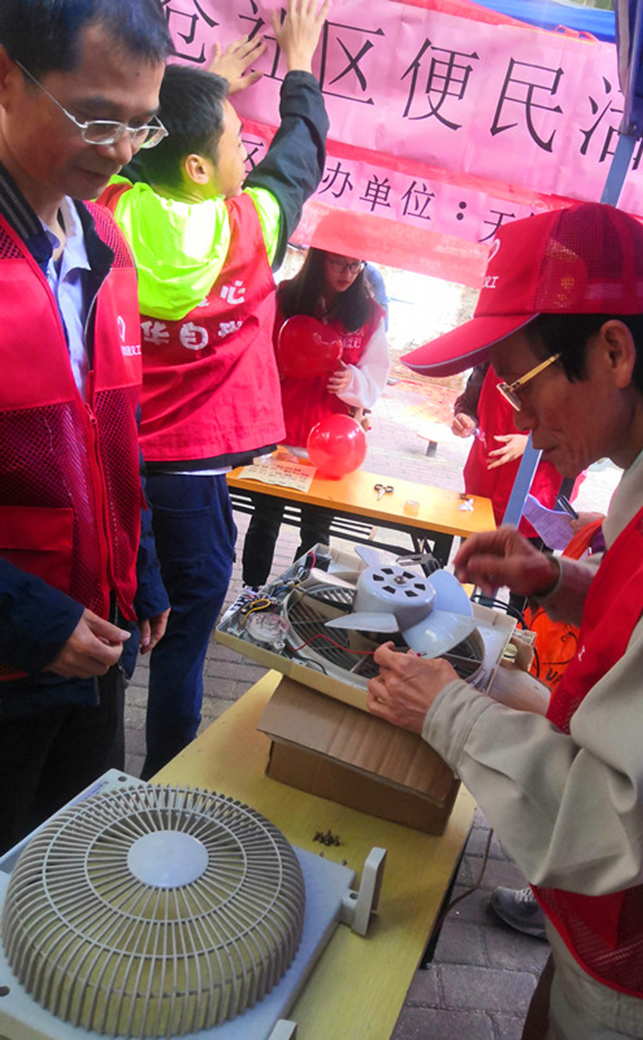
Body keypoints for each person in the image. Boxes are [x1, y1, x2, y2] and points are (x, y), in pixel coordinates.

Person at [366, 202, 643, 1039]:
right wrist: (562, 580)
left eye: (520, 384)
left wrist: (446, 709)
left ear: (615, 352)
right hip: (624, 928)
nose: (517, 418)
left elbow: (618, 815)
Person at [97, 0, 329, 780]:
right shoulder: (250, 228)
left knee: (113, 634)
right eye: (233, 140)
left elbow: (138, 153)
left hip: (114, 473)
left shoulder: (110, 212)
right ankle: (164, 783)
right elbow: (298, 158)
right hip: (194, 483)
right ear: (200, 167)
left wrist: (205, 89)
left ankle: (91, 777)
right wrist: (301, 65)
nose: (246, 149)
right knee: (185, 645)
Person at [0, 0, 171, 853]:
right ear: (7, 75)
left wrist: (142, 569)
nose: (121, 150)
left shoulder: (104, 239)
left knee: (76, 871)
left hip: (94, 648)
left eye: (142, 123)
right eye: (97, 118)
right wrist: (27, 619)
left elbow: (109, 434)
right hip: (13, 666)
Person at [241, 246, 390, 588]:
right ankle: (251, 589)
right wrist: (271, 371)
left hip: (330, 445)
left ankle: (301, 594)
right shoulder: (283, 298)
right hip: (277, 434)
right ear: (320, 258)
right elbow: (253, 351)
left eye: (356, 265)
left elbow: (376, 376)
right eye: (339, 263)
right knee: (265, 520)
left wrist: (351, 381)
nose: (347, 273)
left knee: (317, 530)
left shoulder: (368, 313)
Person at [452, 361, 567, 533]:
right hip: (480, 489)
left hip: (532, 501)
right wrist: (465, 417)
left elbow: (583, 432)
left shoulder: (568, 366)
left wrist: (531, 444)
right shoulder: (493, 356)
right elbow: (469, 401)